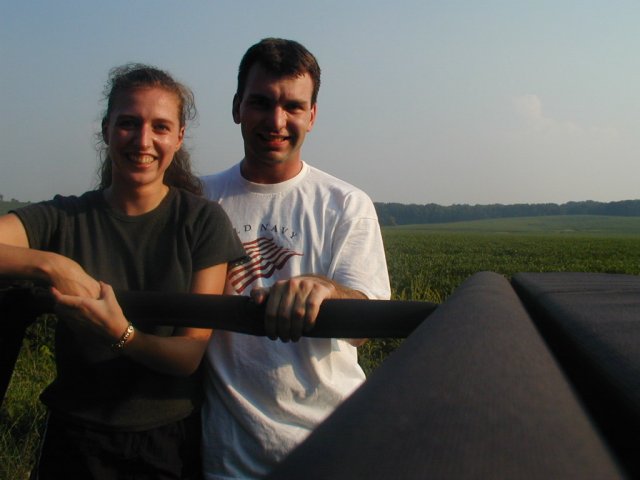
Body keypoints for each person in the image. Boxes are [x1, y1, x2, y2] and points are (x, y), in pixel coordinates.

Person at [0, 64, 246, 479]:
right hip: (75, 438)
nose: (143, 140)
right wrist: (51, 264)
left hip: (168, 442)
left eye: (160, 127)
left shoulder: (202, 222)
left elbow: (188, 355)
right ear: (106, 129)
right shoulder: (64, 217)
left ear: (179, 137)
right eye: (129, 123)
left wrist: (121, 335)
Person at [200, 38, 391, 479]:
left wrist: (326, 290)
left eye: (293, 106)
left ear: (312, 116)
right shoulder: (200, 199)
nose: (276, 121)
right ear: (237, 108)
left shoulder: (345, 204)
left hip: (333, 451)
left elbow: (367, 325)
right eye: (261, 103)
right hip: (228, 459)